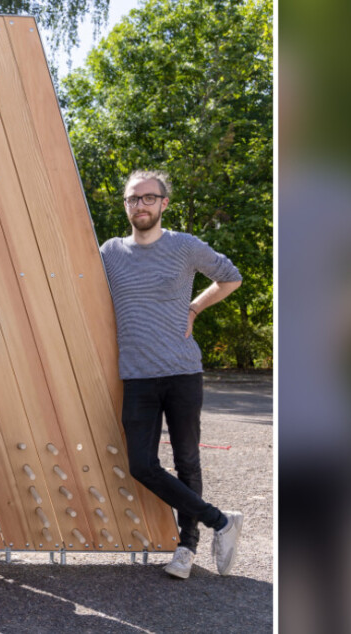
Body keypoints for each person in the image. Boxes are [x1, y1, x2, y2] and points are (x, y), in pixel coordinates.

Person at [99, 169, 244, 580]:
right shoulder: (109, 252)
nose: (140, 205)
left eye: (149, 198)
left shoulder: (184, 246)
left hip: (182, 371)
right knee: (142, 465)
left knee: (187, 461)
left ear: (164, 203)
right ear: (125, 205)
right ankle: (221, 521)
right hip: (137, 375)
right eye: (133, 199)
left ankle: (187, 546)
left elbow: (229, 277)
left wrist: (195, 308)